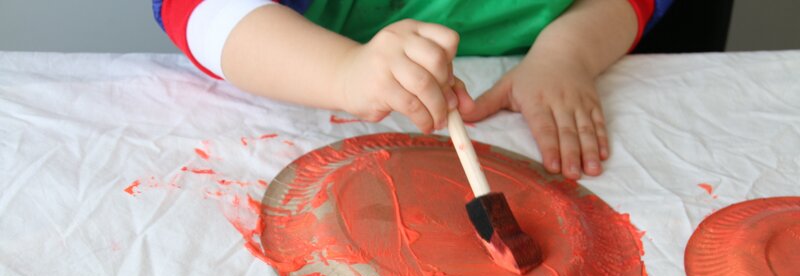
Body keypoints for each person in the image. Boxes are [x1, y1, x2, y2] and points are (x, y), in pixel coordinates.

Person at [153, 0, 672, 179]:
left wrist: (567, 53)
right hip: (305, 91)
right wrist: (342, 71)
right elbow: (201, 11)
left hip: (528, 84)